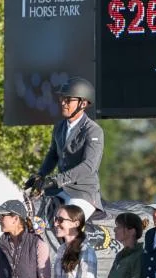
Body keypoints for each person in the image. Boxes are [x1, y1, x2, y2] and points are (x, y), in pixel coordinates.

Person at [26, 76, 105, 217]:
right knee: (30, 209)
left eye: (68, 100)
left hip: (82, 193)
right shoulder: (59, 126)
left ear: (83, 103)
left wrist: (56, 180)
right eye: (62, 99)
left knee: (68, 222)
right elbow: (53, 155)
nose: (63, 103)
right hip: (60, 190)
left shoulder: (93, 130)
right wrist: (40, 175)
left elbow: (89, 166)